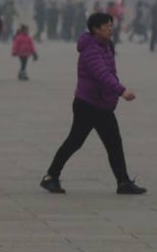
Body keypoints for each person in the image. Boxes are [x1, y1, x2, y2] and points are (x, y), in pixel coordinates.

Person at [41, 13, 146, 195]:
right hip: (87, 104)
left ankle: (123, 182)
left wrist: (113, 94)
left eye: (111, 25)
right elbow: (102, 74)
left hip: (102, 104)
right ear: (96, 29)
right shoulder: (90, 49)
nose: (111, 28)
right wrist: (121, 91)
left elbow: (112, 72)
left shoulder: (107, 45)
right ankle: (50, 176)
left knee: (113, 142)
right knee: (75, 141)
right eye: (107, 26)